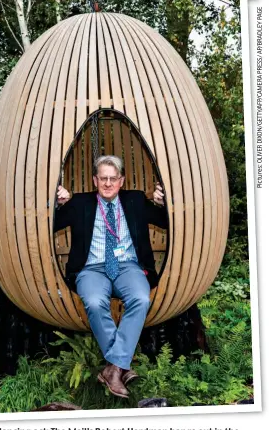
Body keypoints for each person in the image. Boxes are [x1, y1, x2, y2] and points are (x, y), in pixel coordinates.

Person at [54, 155, 167, 399]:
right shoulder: (81, 203)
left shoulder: (135, 200)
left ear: (121, 181)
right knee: (95, 302)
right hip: (92, 268)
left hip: (128, 266)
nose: (107, 183)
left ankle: (113, 368)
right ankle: (121, 366)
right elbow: (51, 223)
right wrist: (56, 203)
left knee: (141, 298)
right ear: (95, 180)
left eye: (112, 178)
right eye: (103, 178)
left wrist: (163, 202)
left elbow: (164, 221)